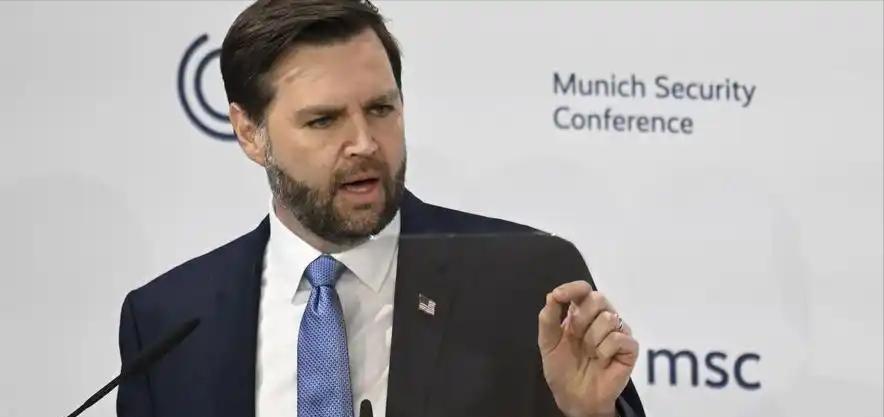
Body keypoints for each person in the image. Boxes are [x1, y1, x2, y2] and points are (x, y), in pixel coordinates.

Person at [116, 1, 645, 416]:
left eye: (380, 109)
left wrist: (588, 414)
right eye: (323, 120)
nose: (365, 143)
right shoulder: (168, 323)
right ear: (249, 132)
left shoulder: (527, 283)